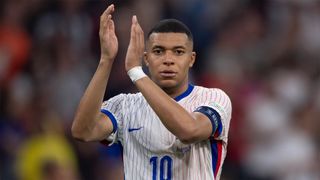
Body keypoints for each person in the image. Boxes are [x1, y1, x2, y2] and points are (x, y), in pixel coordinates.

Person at [71, 4, 232, 180]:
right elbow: (83, 131)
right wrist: (106, 60)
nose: (168, 60)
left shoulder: (214, 98)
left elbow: (189, 130)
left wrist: (136, 72)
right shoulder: (126, 105)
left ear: (191, 59)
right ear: (146, 59)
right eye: (158, 51)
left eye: (178, 52)